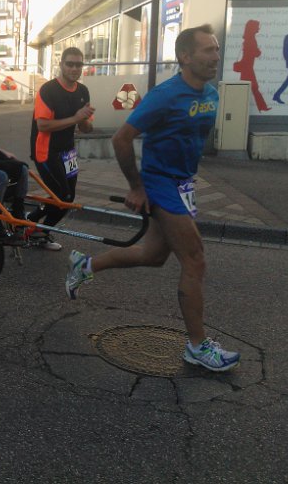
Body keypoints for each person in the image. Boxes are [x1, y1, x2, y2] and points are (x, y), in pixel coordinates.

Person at [65, 25, 241, 373]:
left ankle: (84, 266)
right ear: (185, 56)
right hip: (160, 184)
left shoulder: (211, 95)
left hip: (183, 185)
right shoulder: (165, 95)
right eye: (208, 50)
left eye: (217, 49)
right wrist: (137, 187)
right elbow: (121, 138)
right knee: (194, 260)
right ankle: (197, 346)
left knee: (153, 255)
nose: (216, 56)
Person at [28, 47, 94, 251]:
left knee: (68, 197)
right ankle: (33, 224)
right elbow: (43, 125)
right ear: (61, 65)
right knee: (62, 196)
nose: (74, 68)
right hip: (46, 151)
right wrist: (75, 118)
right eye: (70, 64)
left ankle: (36, 229)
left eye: (78, 64)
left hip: (68, 152)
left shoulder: (83, 91)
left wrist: (84, 120)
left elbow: (86, 128)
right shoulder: (48, 90)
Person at [232, 19, 270, 112]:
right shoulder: (251, 40)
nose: (258, 29)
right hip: (248, 68)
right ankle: (261, 107)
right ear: (252, 28)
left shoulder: (249, 39)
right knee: (252, 88)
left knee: (249, 88)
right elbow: (255, 53)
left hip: (247, 67)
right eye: (257, 27)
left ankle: (261, 107)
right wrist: (258, 51)